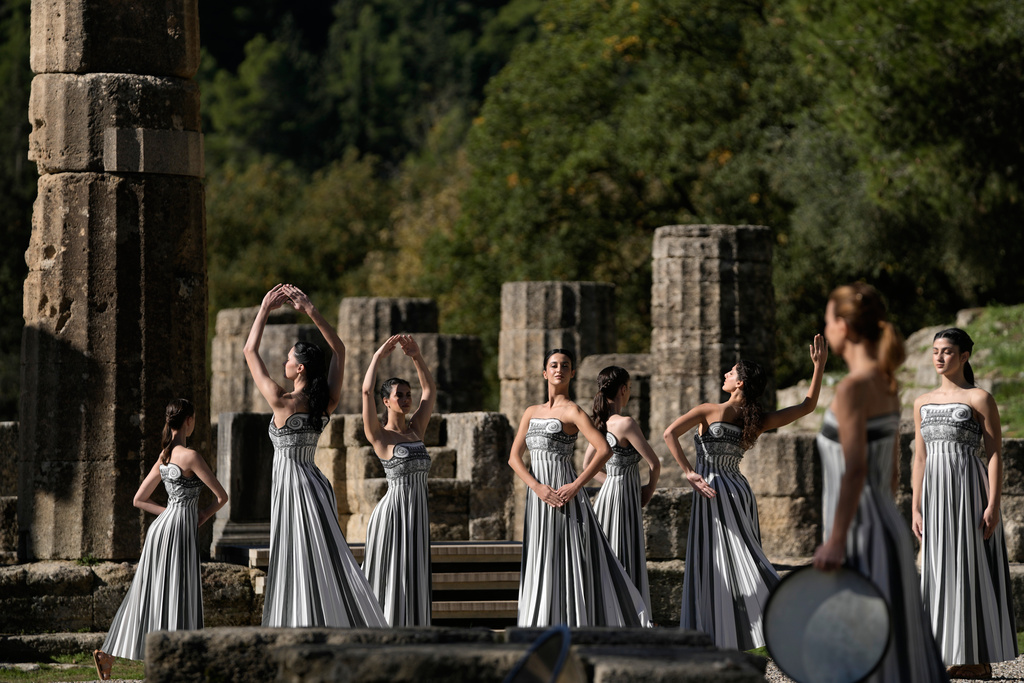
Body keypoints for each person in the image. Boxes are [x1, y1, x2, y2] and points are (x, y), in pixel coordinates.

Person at [812, 283, 947, 682]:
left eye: (828, 319)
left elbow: (855, 470)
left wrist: (836, 539)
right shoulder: (887, 383)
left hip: (860, 531)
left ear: (845, 326)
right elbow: (890, 472)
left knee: (862, 649)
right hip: (884, 525)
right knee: (895, 646)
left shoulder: (853, 388)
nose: (825, 327)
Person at [663, 335, 827, 650]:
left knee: (730, 561)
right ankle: (740, 633)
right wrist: (818, 368)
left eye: (731, 372)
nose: (725, 374)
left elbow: (669, 433)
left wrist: (688, 472)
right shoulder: (756, 420)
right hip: (736, 489)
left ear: (740, 383)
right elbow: (808, 405)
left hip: (712, 489)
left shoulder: (709, 409)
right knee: (740, 559)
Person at [243, 283, 386, 628]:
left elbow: (250, 351)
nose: (283, 362)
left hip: (293, 486)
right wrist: (310, 310)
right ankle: (330, 621)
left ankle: (304, 624)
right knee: (325, 555)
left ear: (301, 369)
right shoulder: (326, 402)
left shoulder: (282, 401)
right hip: (314, 484)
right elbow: (340, 350)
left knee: (299, 556)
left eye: (289, 359)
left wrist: (264, 310)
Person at [509, 349, 651, 627]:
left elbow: (603, 449)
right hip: (538, 497)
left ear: (572, 373)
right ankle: (540, 623)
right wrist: (537, 487)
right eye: (553, 365)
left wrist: (576, 485)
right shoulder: (530, 412)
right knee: (541, 555)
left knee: (567, 557)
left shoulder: (573, 411)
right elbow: (514, 458)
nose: (559, 369)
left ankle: (577, 621)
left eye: (565, 365)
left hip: (565, 496)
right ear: (544, 372)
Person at [92, 399, 227, 681]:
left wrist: (170, 512)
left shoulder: (164, 456)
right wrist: (201, 514)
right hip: (180, 529)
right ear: (188, 420)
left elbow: (139, 500)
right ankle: (179, 659)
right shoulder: (191, 456)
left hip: (161, 528)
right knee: (178, 589)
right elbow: (222, 497)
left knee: (146, 592)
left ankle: (109, 653)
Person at [912, 328, 1016, 678]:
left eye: (947, 351)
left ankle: (978, 658)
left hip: (969, 491)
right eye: (935, 351)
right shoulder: (921, 402)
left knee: (969, 566)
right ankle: (943, 652)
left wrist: (993, 504)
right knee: (939, 570)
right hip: (934, 496)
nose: (939, 357)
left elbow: (994, 454)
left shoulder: (979, 398)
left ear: (964, 356)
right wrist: (915, 505)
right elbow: (920, 458)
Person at [361, 334, 436, 626]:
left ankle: (411, 627)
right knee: (391, 572)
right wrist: (378, 356)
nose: (405, 400)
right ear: (386, 401)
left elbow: (429, 390)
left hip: (417, 513)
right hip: (393, 513)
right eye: (399, 396)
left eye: (407, 395)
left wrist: (416, 356)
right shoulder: (379, 435)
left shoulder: (416, 428)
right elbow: (365, 391)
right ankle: (381, 627)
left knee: (413, 571)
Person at [580, 366, 661, 615]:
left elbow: (587, 467)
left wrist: (612, 480)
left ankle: (606, 611)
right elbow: (654, 463)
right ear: (624, 390)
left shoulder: (600, 424)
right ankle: (628, 613)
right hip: (625, 497)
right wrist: (648, 490)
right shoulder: (625, 423)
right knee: (625, 552)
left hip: (607, 496)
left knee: (607, 552)